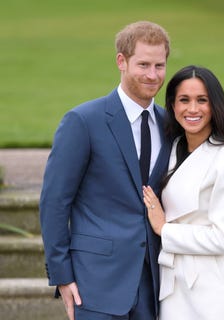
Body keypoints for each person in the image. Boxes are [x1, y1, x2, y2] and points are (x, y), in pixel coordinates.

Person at [39, 21, 171, 320]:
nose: (153, 75)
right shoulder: (83, 121)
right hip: (95, 283)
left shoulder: (169, 124)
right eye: (144, 64)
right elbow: (55, 201)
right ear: (121, 62)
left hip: (155, 285)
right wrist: (62, 275)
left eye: (159, 65)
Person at [141, 65, 224, 319]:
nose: (192, 109)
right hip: (174, 285)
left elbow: (222, 239)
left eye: (202, 100)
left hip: (214, 291)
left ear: (215, 106)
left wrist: (164, 229)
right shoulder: (171, 149)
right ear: (172, 106)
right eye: (184, 100)